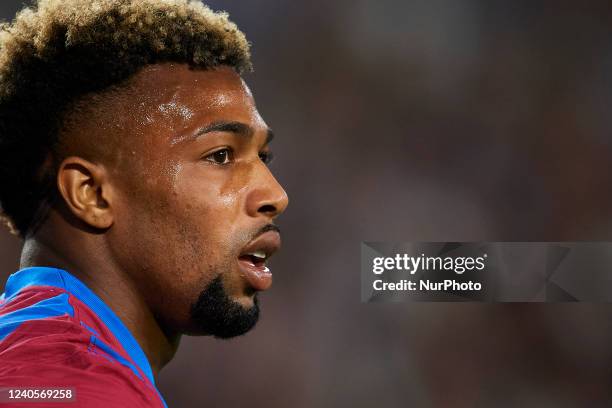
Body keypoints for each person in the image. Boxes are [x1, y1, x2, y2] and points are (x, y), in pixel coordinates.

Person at [0, 0, 288, 406]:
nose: (275, 195)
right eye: (220, 155)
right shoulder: (76, 388)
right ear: (91, 194)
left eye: (263, 158)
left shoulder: (31, 358)